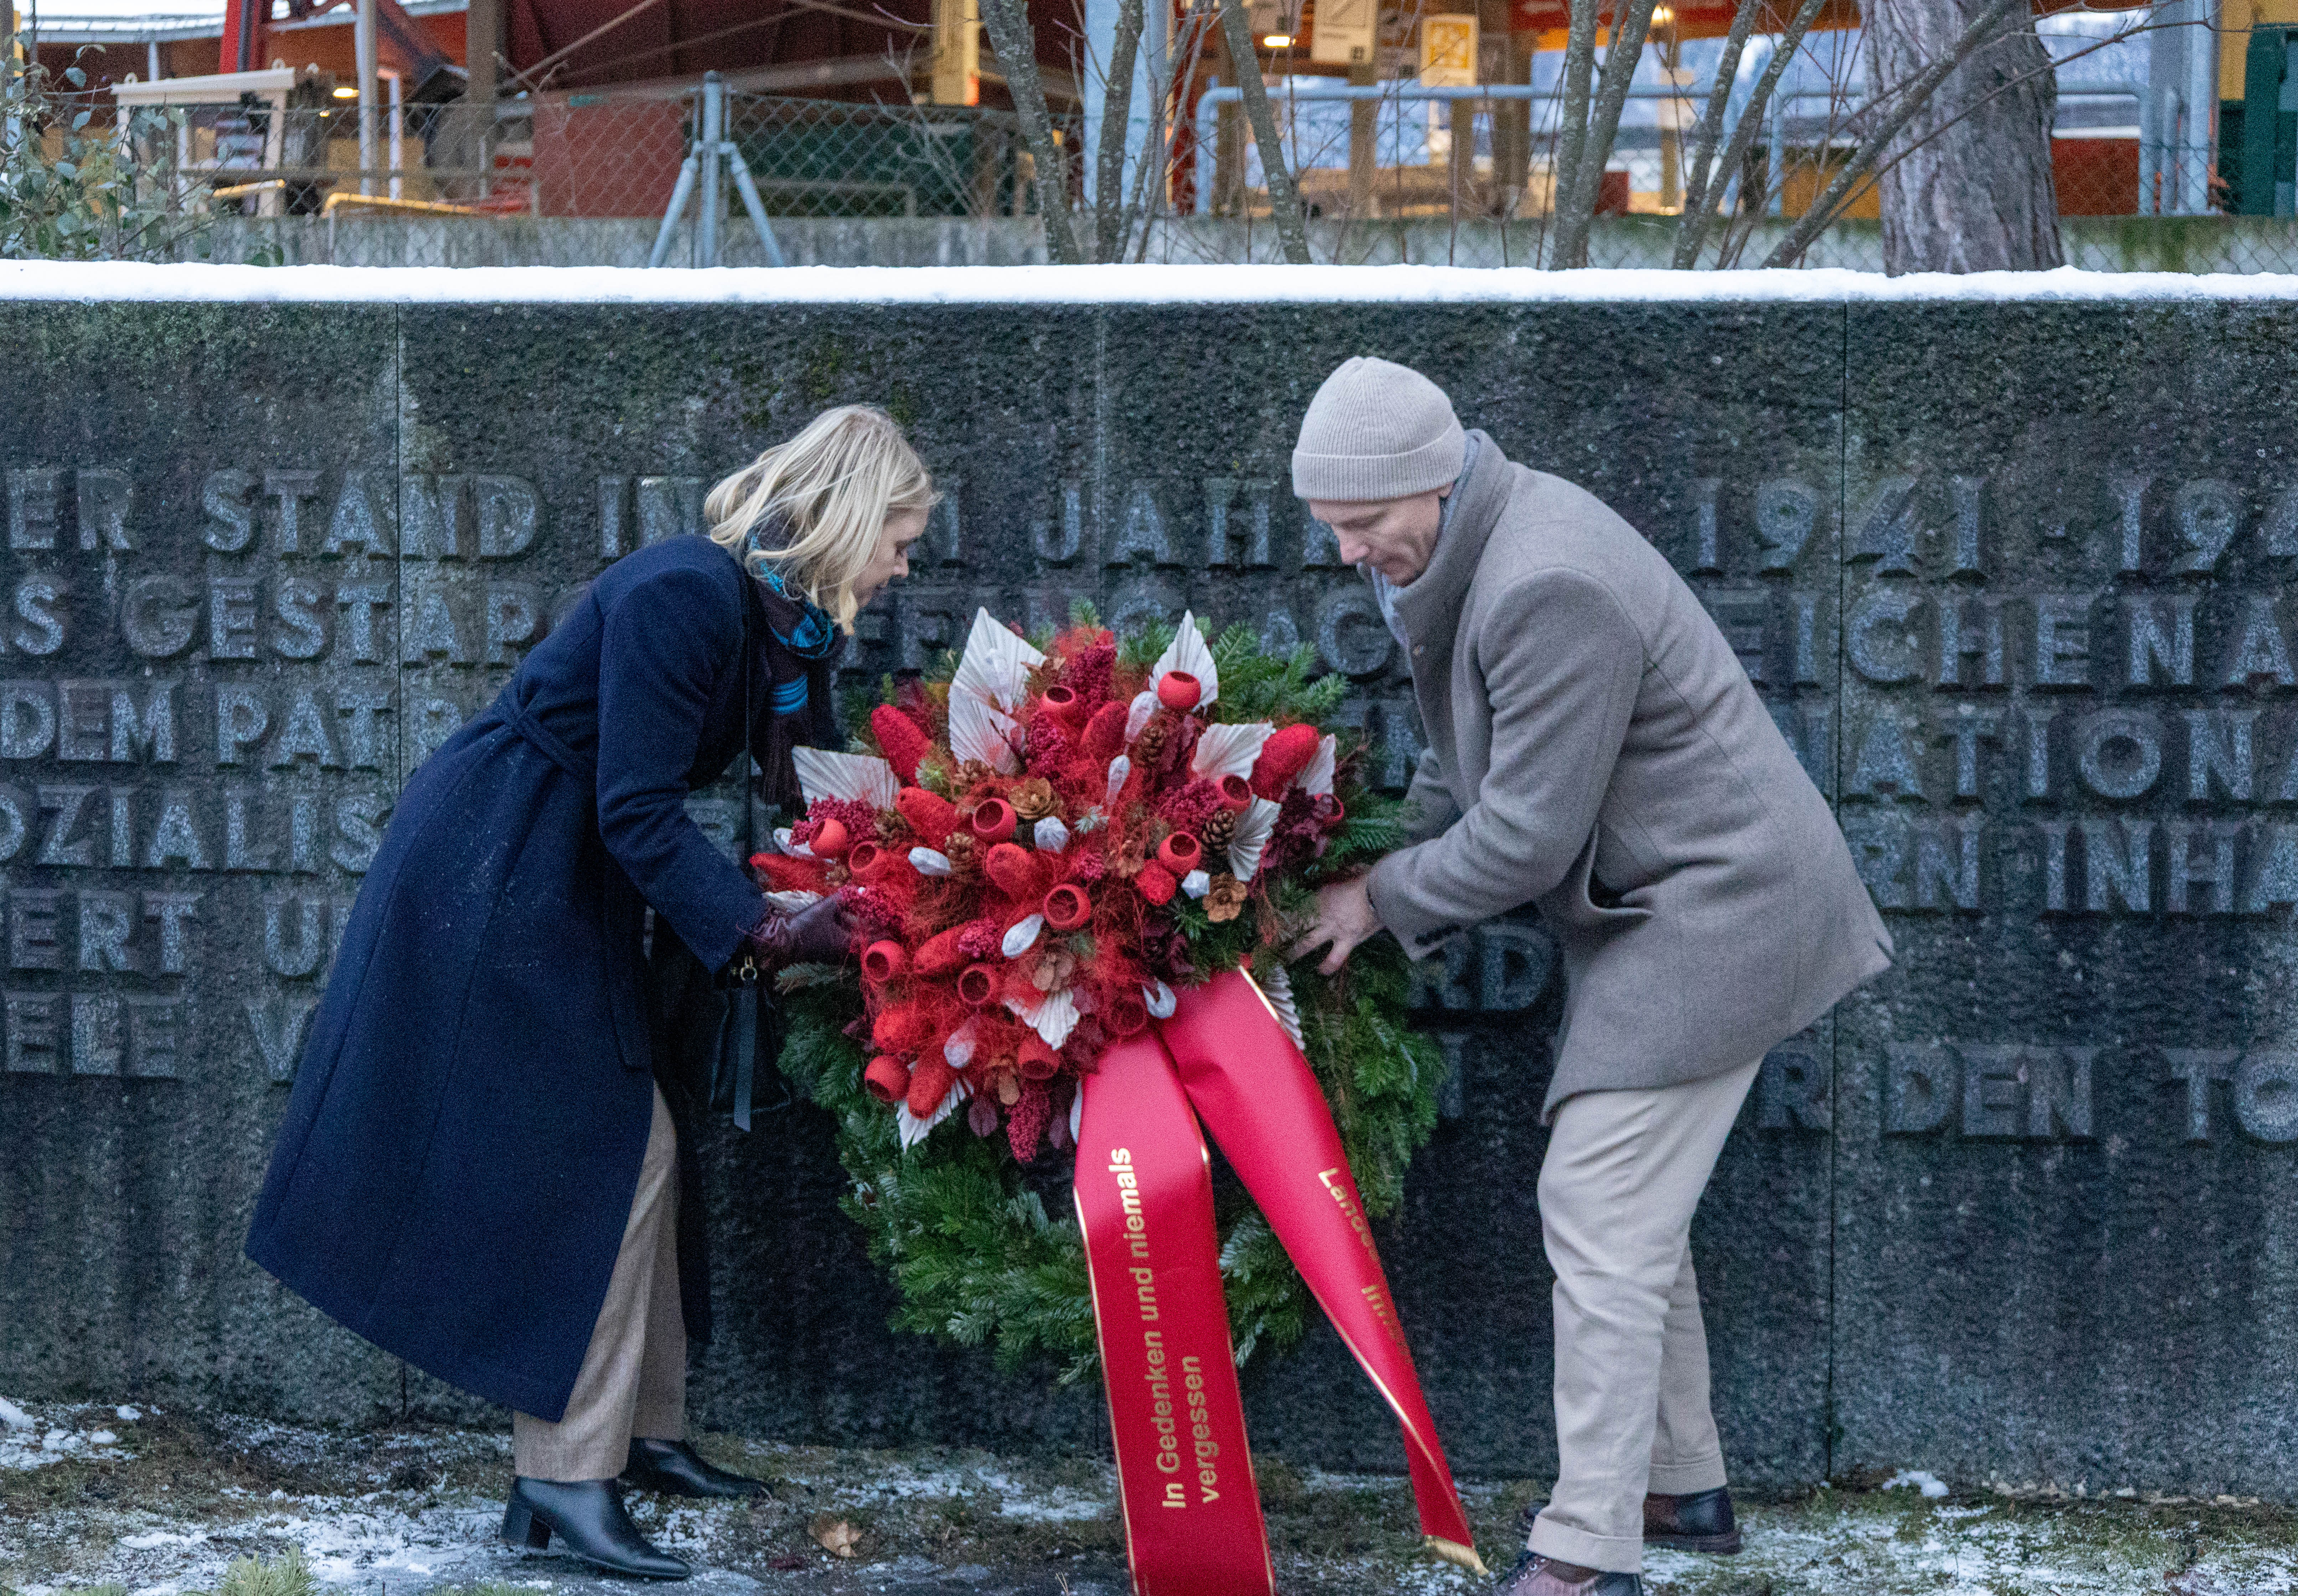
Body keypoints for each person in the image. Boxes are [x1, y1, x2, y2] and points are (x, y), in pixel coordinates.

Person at [245, 406, 933, 1581]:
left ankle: (640, 1436)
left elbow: (814, 793)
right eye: (903, 538)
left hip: (570, 870)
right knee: (612, 1147)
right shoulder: (686, 595)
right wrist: (768, 929)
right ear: (852, 515)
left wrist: (897, 869)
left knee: (646, 1132)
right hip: (506, 859)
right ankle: (563, 1480)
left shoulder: (786, 623)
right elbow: (635, 809)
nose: (906, 564)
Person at [1288, 359, 1891, 1596]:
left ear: (1435, 481)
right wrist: (1379, 860)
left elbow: (1527, 839)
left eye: (1363, 525)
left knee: (1601, 1204)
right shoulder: (1461, 557)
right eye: (1331, 528)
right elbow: (1471, 769)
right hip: (1671, 911)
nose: (1348, 552)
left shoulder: (1544, 580)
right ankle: (1680, 1483)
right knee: (1629, 1210)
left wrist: (1379, 899)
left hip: (1722, 911)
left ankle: (1586, 1548)